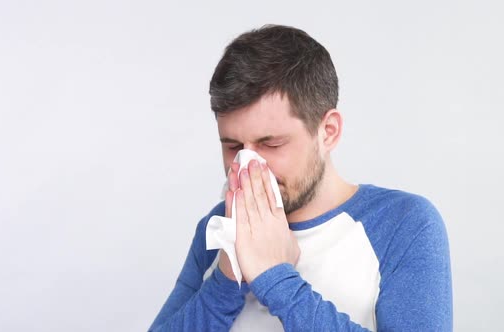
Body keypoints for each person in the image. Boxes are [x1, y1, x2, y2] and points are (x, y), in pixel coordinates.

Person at [149, 24, 452, 331]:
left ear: (328, 132)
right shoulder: (218, 226)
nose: (247, 165)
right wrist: (226, 279)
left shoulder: (402, 224)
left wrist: (275, 279)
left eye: (271, 144)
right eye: (232, 146)